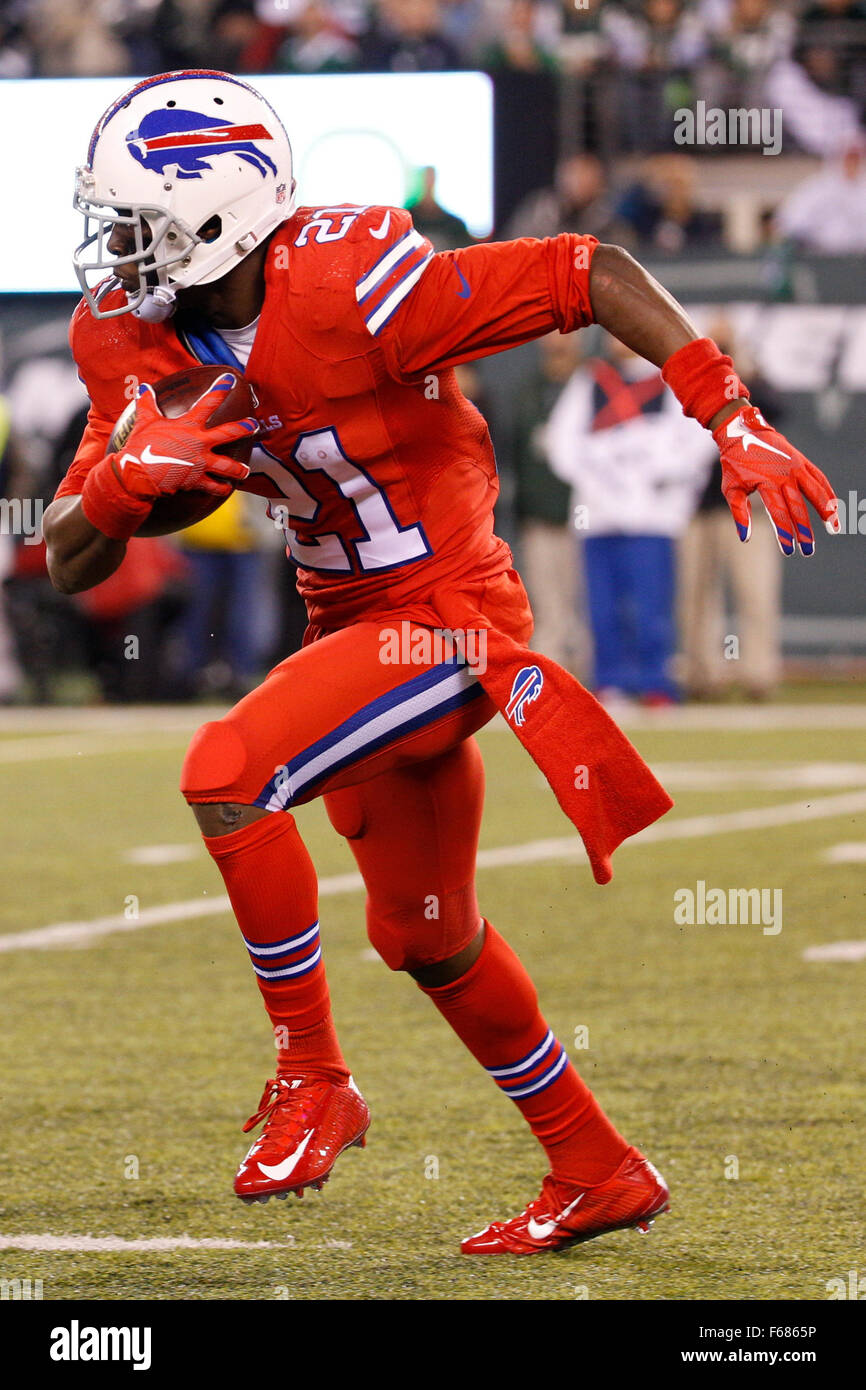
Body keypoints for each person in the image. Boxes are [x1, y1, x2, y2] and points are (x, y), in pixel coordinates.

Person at [44, 69, 837, 1256]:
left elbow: (587, 272)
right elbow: (69, 554)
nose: (117, 254)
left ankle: (313, 1075)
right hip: (345, 627)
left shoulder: (359, 280)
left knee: (224, 768)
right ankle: (596, 1164)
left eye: (139, 224)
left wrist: (724, 412)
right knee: (425, 933)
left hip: (447, 612)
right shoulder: (125, 334)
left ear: (220, 212)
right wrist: (121, 481)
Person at [544, 333, 716, 705]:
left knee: (651, 605)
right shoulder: (592, 379)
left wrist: (660, 475)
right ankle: (610, 681)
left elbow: (699, 439)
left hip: (652, 516)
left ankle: (656, 682)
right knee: (602, 606)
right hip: (599, 513)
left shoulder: (672, 381)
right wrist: (598, 476)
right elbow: (560, 441)